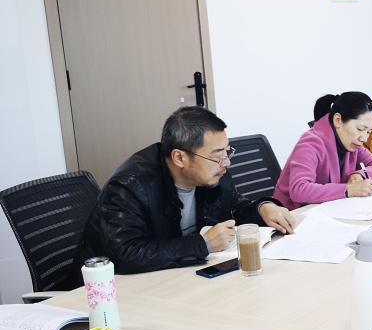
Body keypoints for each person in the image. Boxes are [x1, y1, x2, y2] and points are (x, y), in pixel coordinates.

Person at [78, 106, 294, 274]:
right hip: (116, 292)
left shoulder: (212, 172)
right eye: (217, 155)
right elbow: (127, 254)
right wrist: (203, 244)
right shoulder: (129, 186)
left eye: (227, 152)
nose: (226, 163)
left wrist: (263, 207)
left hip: (180, 275)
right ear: (180, 158)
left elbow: (232, 205)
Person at [273, 92, 372, 209]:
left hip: (327, 209)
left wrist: (359, 175)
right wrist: (348, 189)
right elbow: (299, 190)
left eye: (369, 132)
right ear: (338, 120)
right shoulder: (310, 144)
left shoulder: (352, 143)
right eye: (360, 129)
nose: (364, 138)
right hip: (292, 214)